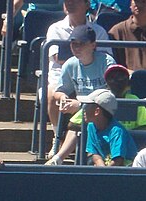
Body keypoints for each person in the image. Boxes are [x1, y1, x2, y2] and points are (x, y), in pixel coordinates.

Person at [44, 0, 112, 157]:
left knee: (106, 95)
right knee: (51, 93)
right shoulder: (55, 28)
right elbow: (57, 57)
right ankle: (58, 139)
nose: (69, 3)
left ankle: (98, 143)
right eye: (67, 1)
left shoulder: (99, 31)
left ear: (87, 4)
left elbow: (107, 59)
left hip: (93, 80)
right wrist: (88, 52)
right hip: (62, 78)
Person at [79, 88, 138, 166]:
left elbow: (118, 161)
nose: (84, 109)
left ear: (97, 111)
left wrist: (104, 174)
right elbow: (94, 153)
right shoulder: (91, 126)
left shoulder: (117, 131)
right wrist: (101, 168)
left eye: (87, 105)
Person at [108, 0, 146, 71]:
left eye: (144, 2)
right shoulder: (116, 31)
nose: (139, 5)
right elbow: (112, 64)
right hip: (126, 79)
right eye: (136, 1)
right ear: (130, 4)